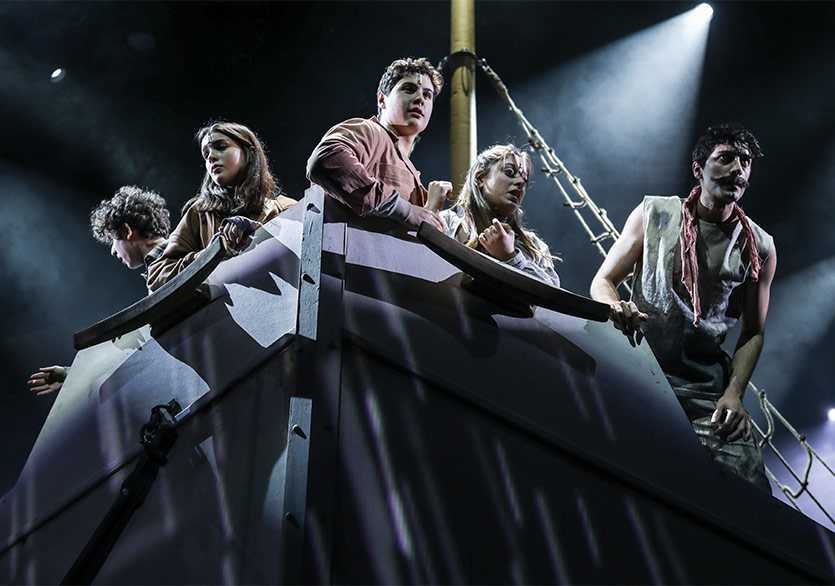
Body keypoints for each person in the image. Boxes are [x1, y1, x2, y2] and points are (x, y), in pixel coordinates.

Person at [589, 124, 776, 492]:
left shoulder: (760, 246)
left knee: (750, 492)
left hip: (706, 391)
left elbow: (753, 332)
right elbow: (603, 280)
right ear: (698, 169)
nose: (737, 169)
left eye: (745, 162)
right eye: (726, 158)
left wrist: (734, 393)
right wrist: (616, 306)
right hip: (639, 372)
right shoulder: (655, 213)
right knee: (614, 474)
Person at [28, 185, 172, 396]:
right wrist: (73, 374)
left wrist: (75, 375)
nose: (113, 251)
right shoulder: (164, 266)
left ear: (127, 231)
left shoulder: (173, 262)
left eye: (113, 239)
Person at [147, 121, 297, 292]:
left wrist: (260, 232)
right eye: (206, 155)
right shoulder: (200, 212)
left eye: (221, 147)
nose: (211, 157)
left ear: (249, 152)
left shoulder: (286, 208)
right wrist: (212, 253)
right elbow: (157, 276)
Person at [306, 57, 452, 232]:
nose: (420, 98)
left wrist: (430, 209)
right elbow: (326, 159)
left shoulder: (413, 174)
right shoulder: (370, 131)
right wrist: (403, 210)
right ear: (382, 99)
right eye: (409, 89)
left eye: (427, 95)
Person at [440, 144, 560, 287]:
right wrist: (431, 210)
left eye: (524, 179)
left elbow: (551, 292)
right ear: (480, 178)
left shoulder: (534, 246)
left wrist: (511, 257)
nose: (520, 182)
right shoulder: (446, 221)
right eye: (509, 172)